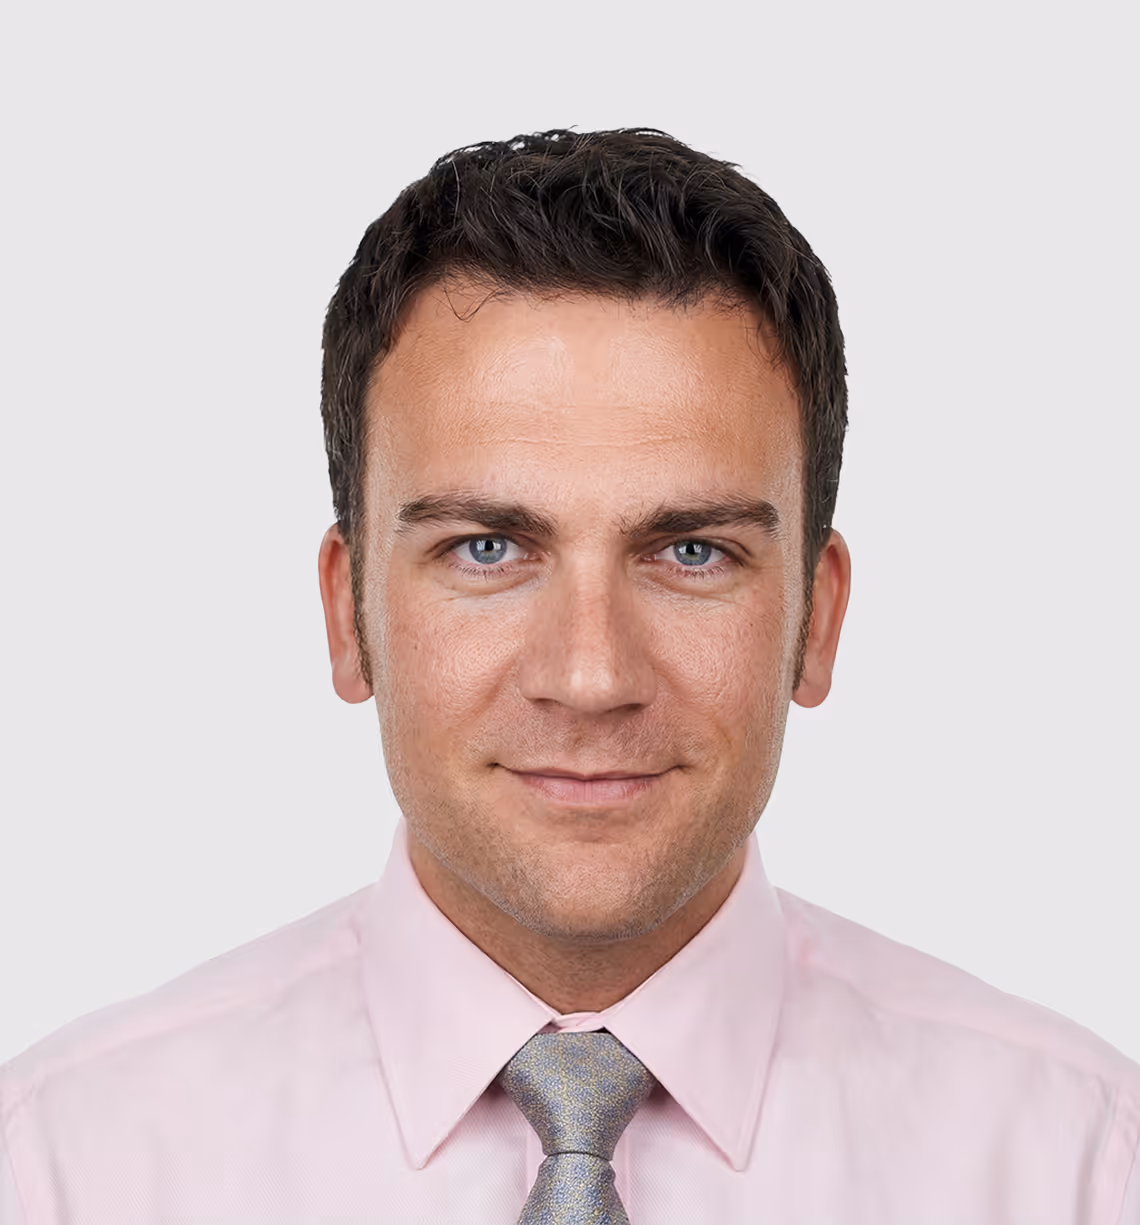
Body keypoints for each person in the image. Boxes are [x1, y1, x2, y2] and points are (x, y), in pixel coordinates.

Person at [1, 127, 1136, 1224]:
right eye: (486, 549)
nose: (591, 676)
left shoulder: (1080, 1166)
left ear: (817, 619)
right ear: (347, 615)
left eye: (691, 552)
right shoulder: (64, 1169)